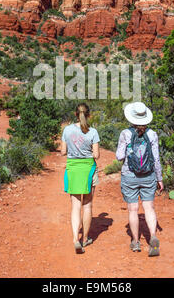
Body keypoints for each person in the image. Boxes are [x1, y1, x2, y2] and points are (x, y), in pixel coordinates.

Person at [116, 101, 164, 256]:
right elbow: (156, 158)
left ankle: (135, 242)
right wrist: (159, 178)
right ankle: (153, 237)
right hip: (149, 175)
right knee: (149, 207)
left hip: (129, 176)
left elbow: (119, 156)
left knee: (133, 209)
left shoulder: (126, 133)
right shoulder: (152, 134)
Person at [61, 103, 100, 254]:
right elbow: (96, 155)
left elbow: (63, 152)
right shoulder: (93, 132)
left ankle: (75, 239)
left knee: (75, 206)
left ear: (75, 114)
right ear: (88, 115)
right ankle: (85, 239)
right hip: (89, 169)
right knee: (88, 205)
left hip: (73, 169)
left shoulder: (67, 130)